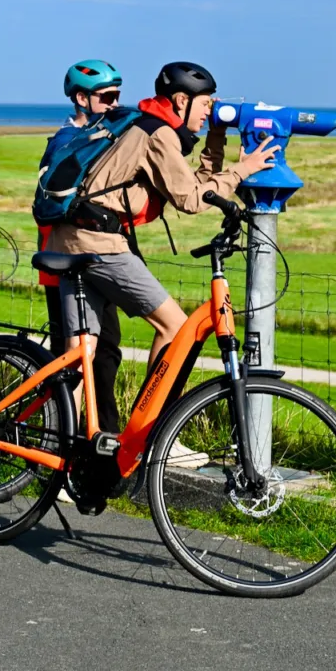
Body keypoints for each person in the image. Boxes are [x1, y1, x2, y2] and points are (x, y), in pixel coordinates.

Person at [48, 61, 279, 463]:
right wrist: (244, 170)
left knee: (79, 351)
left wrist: (216, 139)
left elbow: (192, 183)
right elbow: (192, 199)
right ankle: (149, 433)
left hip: (72, 240)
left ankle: (58, 457)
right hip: (101, 244)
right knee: (175, 328)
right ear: (181, 100)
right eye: (206, 104)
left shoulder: (146, 125)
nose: (210, 110)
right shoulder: (156, 135)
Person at [37, 60, 125, 434]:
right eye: (107, 96)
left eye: (118, 96)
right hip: (63, 269)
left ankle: (104, 436)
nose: (114, 103)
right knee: (73, 360)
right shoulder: (66, 143)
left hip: (93, 264)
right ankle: (62, 445)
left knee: (106, 353)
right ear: (81, 98)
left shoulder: (101, 137)